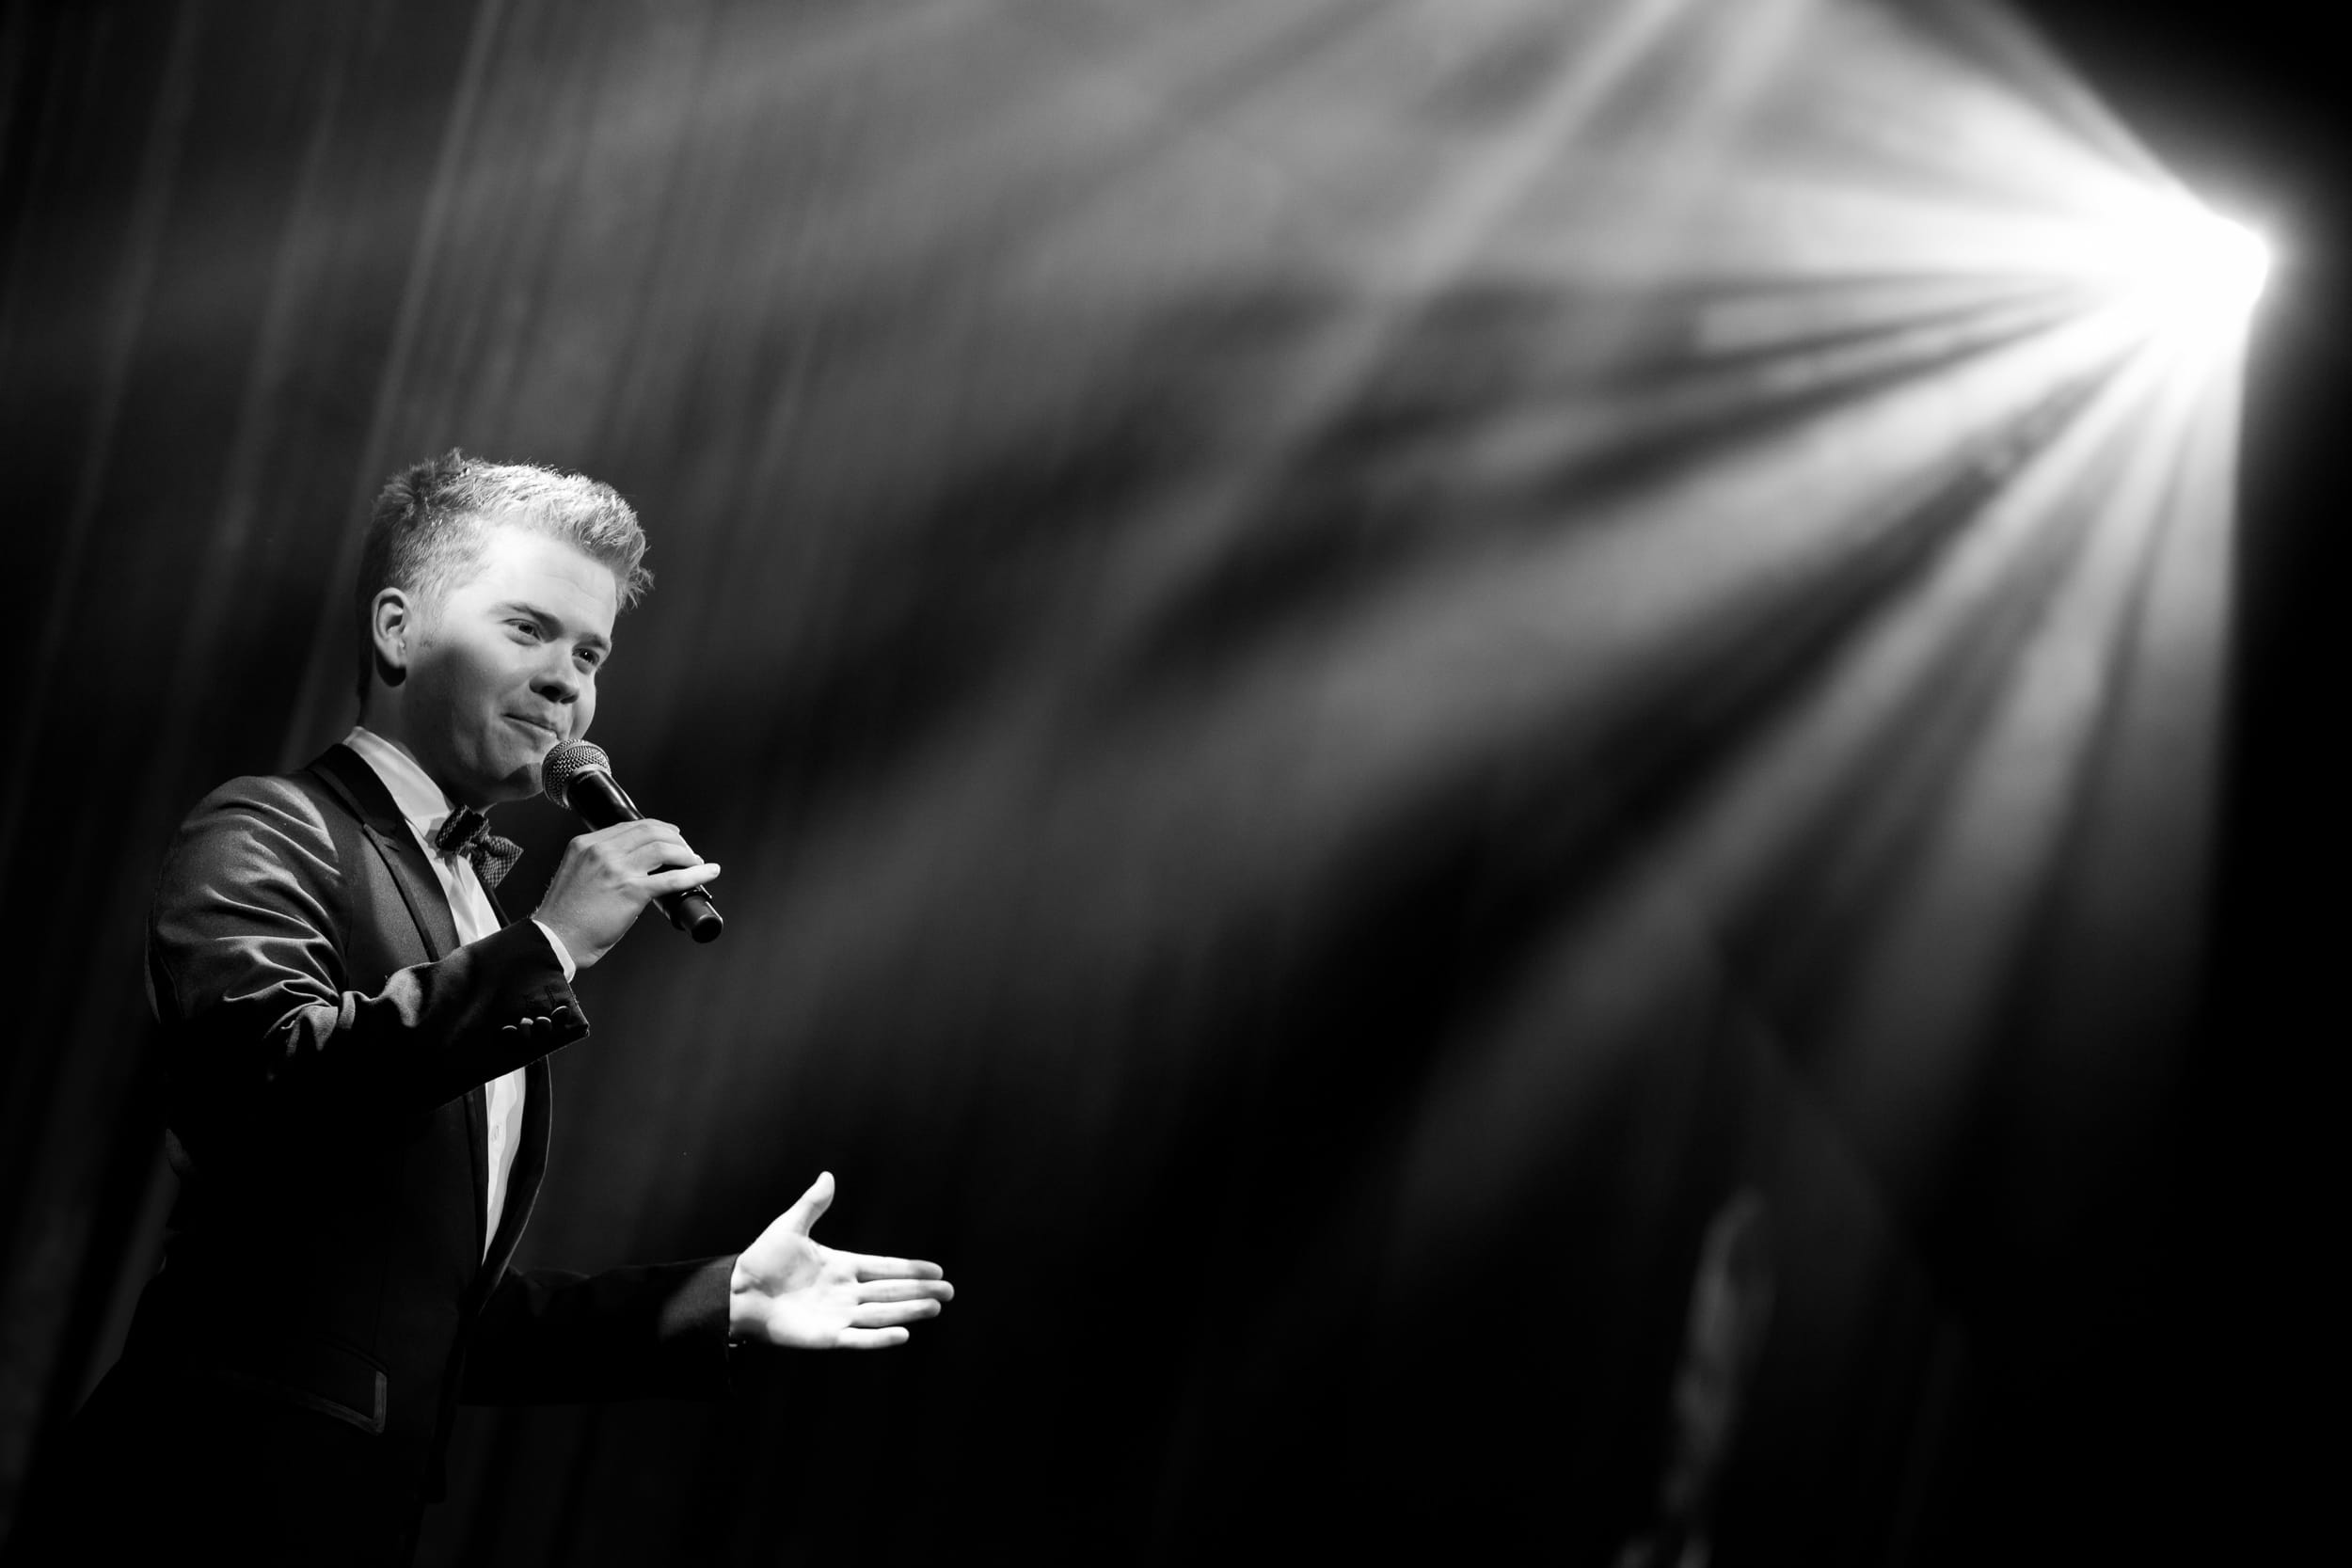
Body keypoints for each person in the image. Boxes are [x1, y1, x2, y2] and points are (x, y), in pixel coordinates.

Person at [13, 451, 954, 1566]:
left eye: (590, 652)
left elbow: (427, 1319)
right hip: (192, 1501)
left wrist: (723, 1297)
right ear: (400, 630)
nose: (569, 682)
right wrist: (548, 944)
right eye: (528, 629)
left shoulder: (471, 907)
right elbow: (262, 1086)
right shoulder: (270, 826)